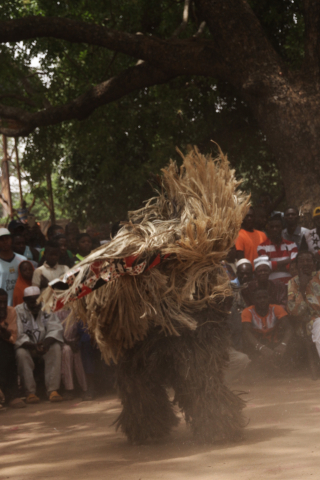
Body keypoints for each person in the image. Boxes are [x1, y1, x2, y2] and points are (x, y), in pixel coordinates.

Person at [15, 286, 64, 403]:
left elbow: (55, 328)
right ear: (24, 300)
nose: (34, 305)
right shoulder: (18, 310)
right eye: (31, 302)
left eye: (37, 302)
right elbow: (18, 334)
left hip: (44, 345)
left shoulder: (47, 307)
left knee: (56, 347)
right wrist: (33, 346)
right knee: (20, 353)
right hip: (28, 346)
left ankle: (52, 390)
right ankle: (30, 393)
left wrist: (46, 344)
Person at [242, 289, 292, 369]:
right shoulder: (248, 311)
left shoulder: (276, 309)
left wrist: (283, 345)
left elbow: (288, 328)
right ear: (254, 300)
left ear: (269, 298)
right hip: (256, 346)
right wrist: (261, 348)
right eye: (259, 298)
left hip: (274, 345)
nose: (262, 300)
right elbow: (246, 332)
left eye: (264, 297)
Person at [287, 251, 320, 363]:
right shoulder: (293, 283)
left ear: (314, 263)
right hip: (308, 323)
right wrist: (302, 287)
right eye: (302, 261)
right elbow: (294, 311)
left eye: (308, 260)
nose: (305, 263)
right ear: (296, 265)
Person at [0, 288, 25, 409]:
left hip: (6, 346)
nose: (3, 306)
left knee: (5, 349)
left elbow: (13, 337)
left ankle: (11, 395)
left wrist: (6, 335)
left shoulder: (11, 312)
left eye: (4, 302)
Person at [257, 215, 298, 285]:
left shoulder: (292, 245)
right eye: (272, 227)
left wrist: (273, 265)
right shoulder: (262, 247)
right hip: (271, 285)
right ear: (268, 229)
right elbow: (265, 267)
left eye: (277, 226)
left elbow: (293, 267)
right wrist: (288, 261)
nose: (275, 229)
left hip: (290, 284)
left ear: (282, 228)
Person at [0, 228, 26, 306]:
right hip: (3, 306)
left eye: (7, 239)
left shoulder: (22, 260)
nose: (5, 242)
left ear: (11, 240)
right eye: (1, 240)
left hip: (21, 304)